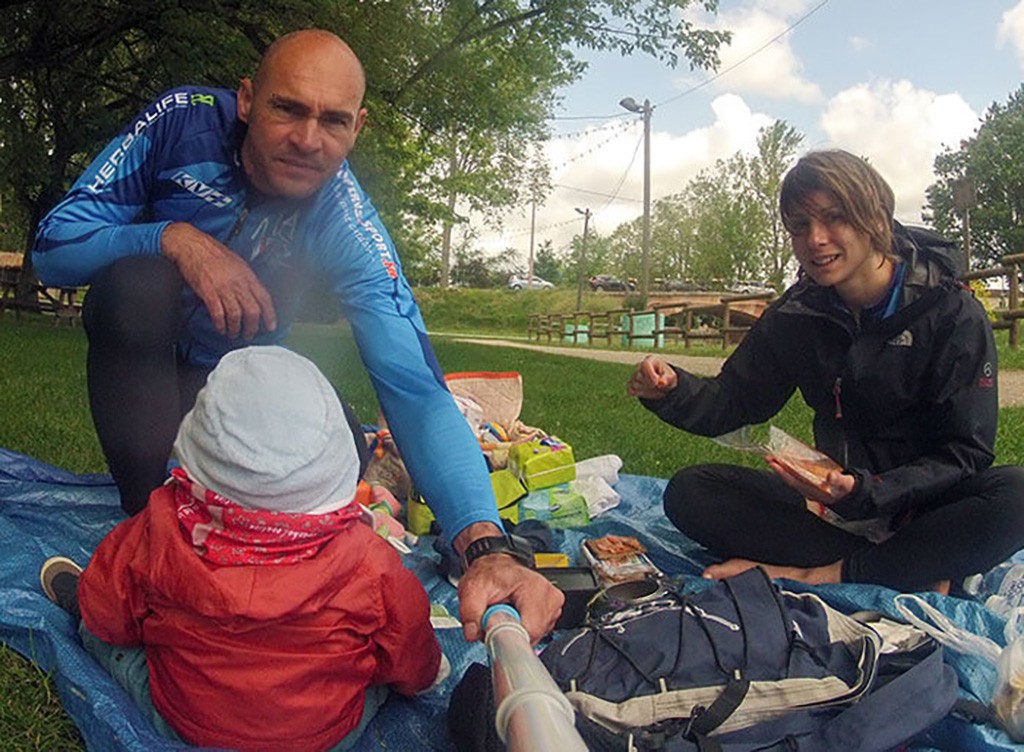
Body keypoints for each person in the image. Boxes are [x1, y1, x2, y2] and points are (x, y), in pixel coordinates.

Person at [31, 28, 561, 642]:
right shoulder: (183, 122)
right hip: (140, 368)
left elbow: (415, 385)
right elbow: (53, 248)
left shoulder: (346, 221)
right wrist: (174, 239)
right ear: (248, 100)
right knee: (135, 287)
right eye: (288, 108)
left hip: (229, 382)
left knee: (341, 443)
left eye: (334, 122)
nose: (308, 140)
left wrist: (484, 544)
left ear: (357, 128)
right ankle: (147, 527)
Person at [628, 149, 1024, 594]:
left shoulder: (950, 310)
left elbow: (965, 452)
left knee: (1017, 493)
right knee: (692, 491)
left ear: (875, 217)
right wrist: (672, 389)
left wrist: (868, 490)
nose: (815, 239)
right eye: (799, 226)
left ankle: (828, 573)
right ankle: (904, 565)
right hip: (835, 506)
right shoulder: (799, 313)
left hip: (929, 505)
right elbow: (737, 400)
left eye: (834, 218)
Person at [40, 346, 448, 751]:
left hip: (184, 721)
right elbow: (410, 648)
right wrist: (427, 675)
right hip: (323, 738)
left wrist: (103, 614)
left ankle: (76, 610)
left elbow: (112, 615)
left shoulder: (159, 525)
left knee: (102, 635)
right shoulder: (370, 560)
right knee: (382, 675)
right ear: (337, 454)